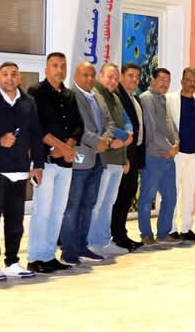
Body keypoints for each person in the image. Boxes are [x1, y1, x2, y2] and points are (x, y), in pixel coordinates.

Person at [0, 61, 44, 281]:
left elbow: (35, 134)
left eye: (14, 74)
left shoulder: (29, 102)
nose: (10, 78)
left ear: (20, 78)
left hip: (20, 170)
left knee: (15, 220)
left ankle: (13, 261)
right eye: (5, 74)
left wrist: (38, 165)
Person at [27, 52, 83, 273]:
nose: (59, 70)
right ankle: (35, 257)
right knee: (42, 210)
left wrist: (68, 147)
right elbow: (36, 126)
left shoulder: (70, 95)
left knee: (58, 210)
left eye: (63, 66)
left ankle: (49, 255)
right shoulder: (36, 92)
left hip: (65, 163)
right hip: (45, 162)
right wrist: (61, 148)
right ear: (46, 69)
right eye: (55, 65)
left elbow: (78, 126)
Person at [60, 61, 115, 265]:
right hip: (80, 157)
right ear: (76, 76)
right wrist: (98, 141)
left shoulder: (97, 96)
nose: (89, 79)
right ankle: (68, 251)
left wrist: (106, 140)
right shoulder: (72, 96)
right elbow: (78, 127)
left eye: (92, 75)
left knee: (88, 205)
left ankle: (82, 246)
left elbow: (110, 122)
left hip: (98, 158)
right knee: (73, 206)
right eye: (85, 75)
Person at [86, 63, 133, 256]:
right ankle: (90, 243)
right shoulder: (95, 95)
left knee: (108, 202)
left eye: (116, 78)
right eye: (109, 77)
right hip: (103, 158)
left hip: (117, 158)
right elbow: (106, 125)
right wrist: (124, 136)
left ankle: (103, 241)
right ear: (100, 76)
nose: (113, 81)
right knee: (97, 203)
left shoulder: (115, 98)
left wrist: (128, 135)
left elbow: (126, 120)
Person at [138, 68, 181, 245]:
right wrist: (169, 148)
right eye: (162, 79)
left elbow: (171, 126)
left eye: (168, 80)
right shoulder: (147, 98)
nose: (165, 83)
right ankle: (146, 234)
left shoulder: (163, 98)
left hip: (168, 158)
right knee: (147, 197)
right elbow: (151, 130)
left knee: (171, 197)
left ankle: (163, 233)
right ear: (153, 80)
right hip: (153, 157)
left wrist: (176, 143)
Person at [110, 62, 146, 252]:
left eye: (137, 76)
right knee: (120, 196)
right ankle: (117, 236)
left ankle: (121, 233)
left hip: (135, 154)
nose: (134, 80)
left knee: (128, 194)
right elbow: (118, 128)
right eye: (130, 76)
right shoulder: (117, 97)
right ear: (122, 77)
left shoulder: (136, 98)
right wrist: (125, 157)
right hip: (122, 155)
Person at [166, 67, 195, 241]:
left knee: (189, 192)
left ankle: (187, 228)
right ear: (182, 81)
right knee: (173, 191)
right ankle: (171, 228)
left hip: (193, 153)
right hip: (176, 153)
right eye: (188, 80)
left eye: (194, 80)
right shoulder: (170, 99)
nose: (191, 83)